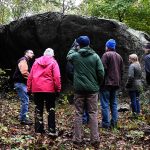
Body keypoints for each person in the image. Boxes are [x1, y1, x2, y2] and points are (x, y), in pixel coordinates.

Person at [67, 36, 104, 148]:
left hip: (79, 90)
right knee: (93, 114)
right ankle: (95, 140)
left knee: (78, 113)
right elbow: (101, 72)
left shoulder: (75, 56)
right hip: (92, 90)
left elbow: (68, 56)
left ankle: (77, 140)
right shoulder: (95, 56)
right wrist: (97, 84)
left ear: (79, 44)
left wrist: (74, 47)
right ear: (89, 44)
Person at [27, 48, 61, 136]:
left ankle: (39, 130)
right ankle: (51, 130)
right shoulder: (53, 62)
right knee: (50, 109)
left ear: (44, 54)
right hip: (49, 90)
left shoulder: (36, 62)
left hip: (37, 89)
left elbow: (30, 76)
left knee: (38, 109)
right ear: (52, 55)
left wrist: (29, 89)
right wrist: (58, 89)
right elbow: (57, 77)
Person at [100, 39, 123, 129]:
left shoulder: (106, 55)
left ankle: (106, 124)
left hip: (106, 84)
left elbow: (102, 70)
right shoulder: (119, 56)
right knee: (114, 104)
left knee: (105, 104)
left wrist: (100, 82)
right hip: (116, 84)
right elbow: (121, 71)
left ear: (107, 46)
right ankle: (114, 123)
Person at [13, 49, 34, 125]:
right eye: (31, 53)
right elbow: (24, 72)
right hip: (20, 83)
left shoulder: (26, 61)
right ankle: (23, 119)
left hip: (21, 83)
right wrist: (32, 79)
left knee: (25, 100)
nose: (33, 54)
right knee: (25, 101)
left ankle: (23, 117)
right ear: (26, 53)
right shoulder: (23, 60)